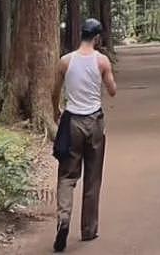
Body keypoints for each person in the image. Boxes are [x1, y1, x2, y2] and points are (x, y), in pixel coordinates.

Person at [52, 17, 117, 250]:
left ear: (81, 35)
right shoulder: (102, 61)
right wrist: (104, 77)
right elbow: (112, 91)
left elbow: (55, 91)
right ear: (97, 37)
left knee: (67, 176)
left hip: (72, 123)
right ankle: (88, 230)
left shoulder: (65, 61)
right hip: (95, 122)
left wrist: (55, 110)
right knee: (92, 176)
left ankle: (63, 220)